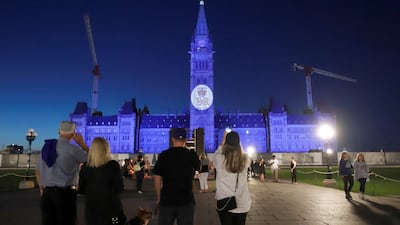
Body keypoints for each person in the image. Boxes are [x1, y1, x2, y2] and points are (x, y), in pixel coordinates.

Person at [35, 121, 89, 225]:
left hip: (47, 193)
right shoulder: (74, 150)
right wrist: (82, 143)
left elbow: (38, 170)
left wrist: (41, 189)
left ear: (59, 132)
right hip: (65, 194)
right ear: (73, 134)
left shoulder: (46, 148)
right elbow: (93, 158)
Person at [153, 128, 200, 225]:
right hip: (186, 200)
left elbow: (157, 177)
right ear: (186, 140)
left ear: (172, 139)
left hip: (167, 200)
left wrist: (159, 196)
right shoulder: (191, 155)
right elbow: (198, 168)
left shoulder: (164, 155)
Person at [78, 137, 125, 225]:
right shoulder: (113, 166)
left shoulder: (85, 167)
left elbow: (81, 189)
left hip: (92, 209)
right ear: (106, 149)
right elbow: (119, 188)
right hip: (110, 209)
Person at [214, 131, 251, 225]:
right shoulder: (246, 159)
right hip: (242, 202)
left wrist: (223, 141)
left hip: (224, 202)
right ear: (239, 143)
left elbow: (218, 152)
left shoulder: (219, 159)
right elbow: (242, 151)